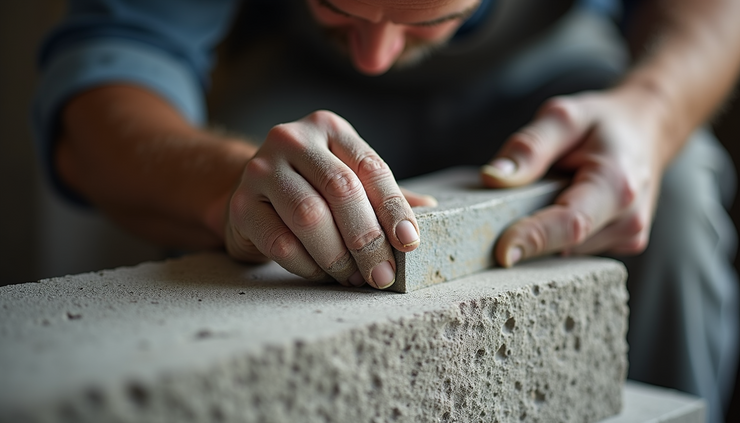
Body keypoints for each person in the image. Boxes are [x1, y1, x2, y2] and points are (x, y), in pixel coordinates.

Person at [33, 0, 740, 421]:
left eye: (426, 16)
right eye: (338, 6)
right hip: (309, 86)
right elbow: (108, 69)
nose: (377, 55)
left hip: (561, 68)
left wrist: (654, 110)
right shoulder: (356, 64)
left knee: (673, 192)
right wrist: (222, 185)